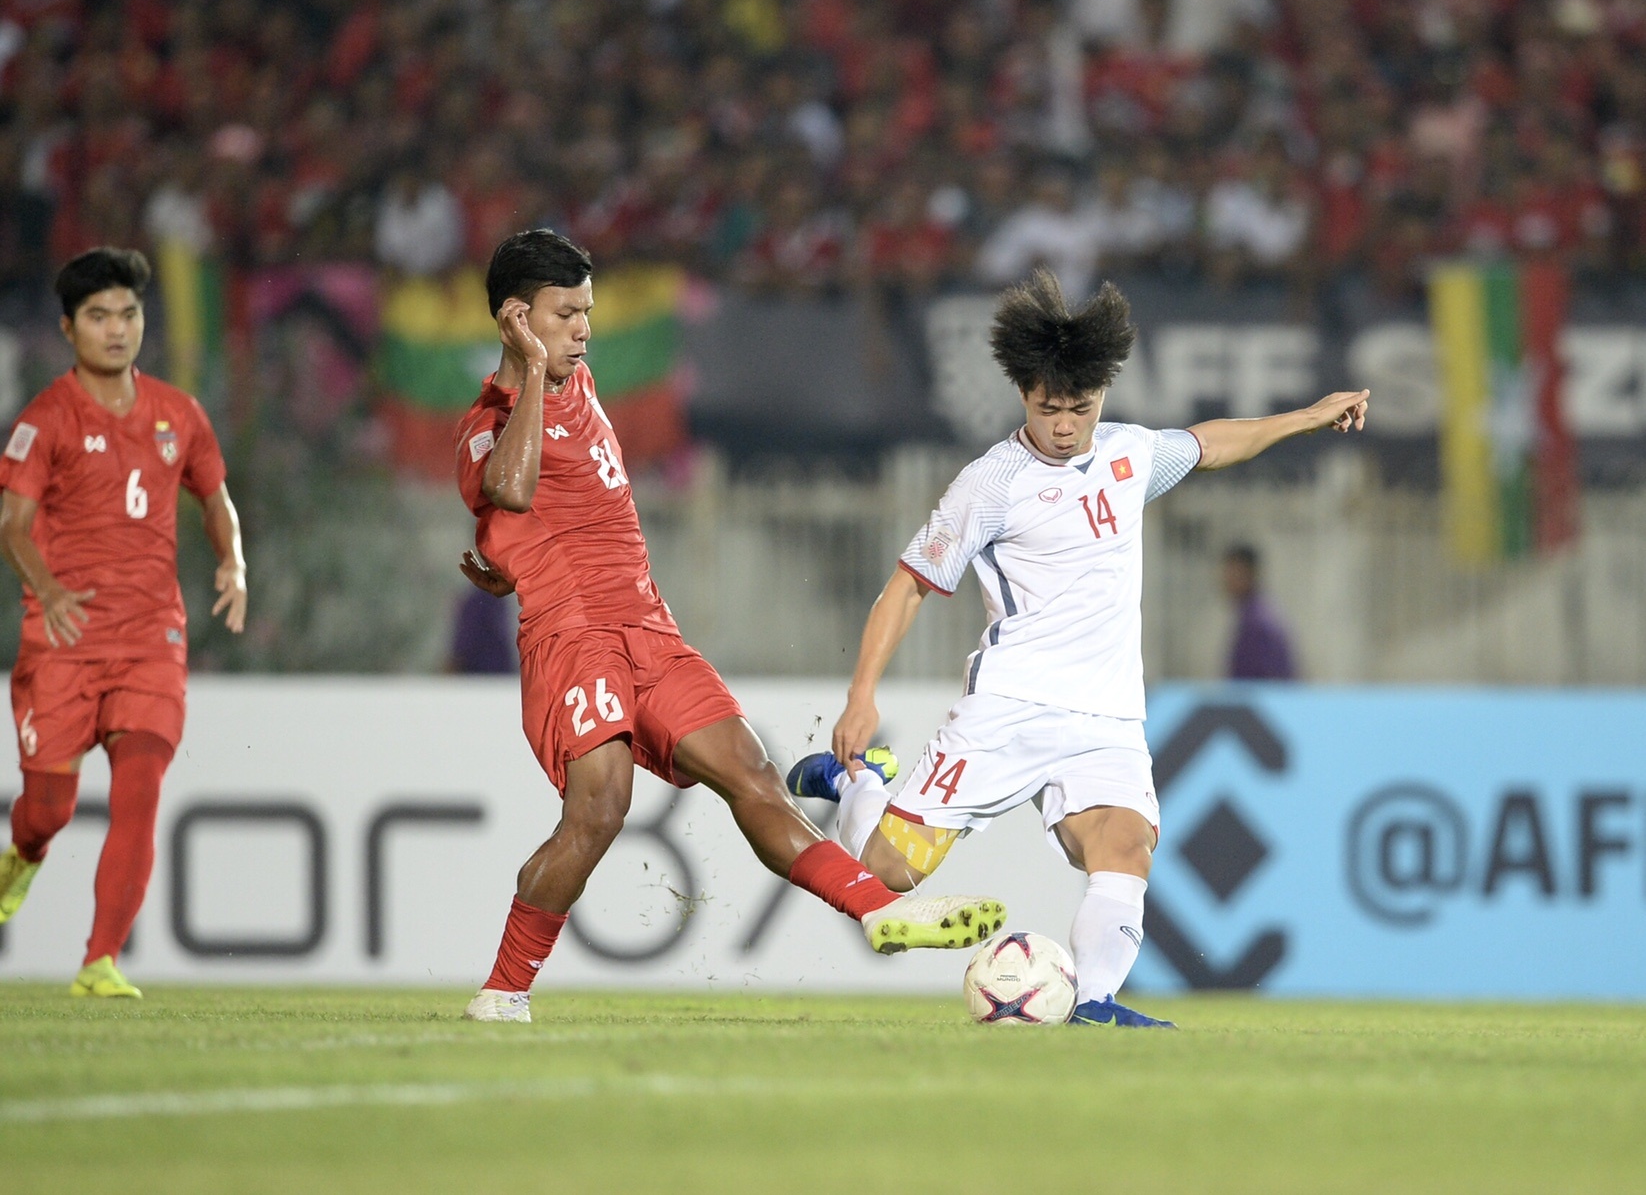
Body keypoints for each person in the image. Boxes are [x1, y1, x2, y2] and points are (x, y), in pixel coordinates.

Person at [789, 268, 1367, 1027]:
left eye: (1080, 408)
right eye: (1047, 407)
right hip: (1012, 705)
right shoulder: (990, 484)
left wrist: (1311, 416)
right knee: (890, 873)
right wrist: (861, 697)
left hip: (1107, 715)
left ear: (1103, 396)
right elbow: (907, 587)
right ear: (1023, 395)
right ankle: (859, 783)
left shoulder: (1129, 456)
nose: (1065, 425)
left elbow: (1217, 444)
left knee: (1125, 848)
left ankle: (1093, 1002)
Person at [454, 230, 1004, 1023]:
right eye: (565, 314)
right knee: (600, 810)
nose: (583, 329)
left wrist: (508, 556)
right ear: (516, 319)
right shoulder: (489, 417)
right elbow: (505, 490)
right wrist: (532, 375)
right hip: (575, 640)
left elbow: (542, 519)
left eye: (588, 313)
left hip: (651, 628)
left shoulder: (582, 383)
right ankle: (504, 989)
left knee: (752, 775)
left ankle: (878, 912)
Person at [0, 246, 247, 998]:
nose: (117, 329)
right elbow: (12, 524)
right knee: (49, 808)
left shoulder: (179, 413)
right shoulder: (45, 420)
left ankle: (99, 961)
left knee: (141, 785)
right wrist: (49, 589)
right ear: (70, 329)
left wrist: (234, 562)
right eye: (100, 316)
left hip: (151, 639)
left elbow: (215, 497)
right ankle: (23, 855)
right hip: (64, 641)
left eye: (130, 314)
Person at [1223, 544, 1296, 680]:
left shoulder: (1259, 623)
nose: (1227, 580)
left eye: (1234, 573)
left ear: (1250, 574)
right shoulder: (1250, 616)